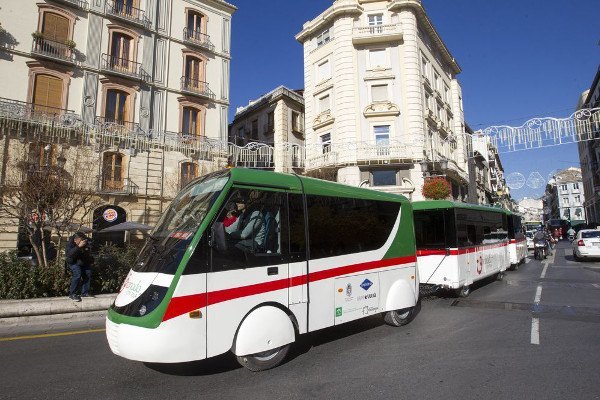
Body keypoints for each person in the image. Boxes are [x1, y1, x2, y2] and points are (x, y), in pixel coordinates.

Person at [65, 231, 94, 302]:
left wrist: (91, 260)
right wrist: (78, 247)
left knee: (88, 273)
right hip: (72, 262)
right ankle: (72, 294)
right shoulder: (70, 244)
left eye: (83, 240)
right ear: (75, 240)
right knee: (77, 274)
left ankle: (84, 293)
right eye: (81, 240)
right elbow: (70, 255)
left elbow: (87, 252)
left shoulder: (85, 242)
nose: (83, 241)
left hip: (82, 261)